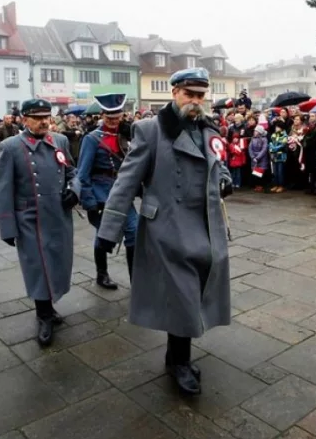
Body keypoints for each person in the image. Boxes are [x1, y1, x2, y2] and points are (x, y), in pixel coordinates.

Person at [96, 67, 233, 396]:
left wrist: (225, 178)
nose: (196, 101)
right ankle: (179, 362)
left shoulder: (208, 128)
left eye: (201, 95)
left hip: (206, 227)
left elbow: (219, 162)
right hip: (167, 230)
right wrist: (109, 228)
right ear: (174, 92)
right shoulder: (150, 130)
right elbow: (127, 180)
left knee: (194, 295)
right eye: (190, 94)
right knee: (182, 298)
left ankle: (176, 356)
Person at [0, 99, 80, 346]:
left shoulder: (60, 141)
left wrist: (75, 190)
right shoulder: (10, 147)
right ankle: (43, 315)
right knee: (38, 268)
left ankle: (50, 306)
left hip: (58, 216)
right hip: (29, 219)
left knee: (57, 263)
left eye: (47, 116)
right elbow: (2, 190)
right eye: (37, 117)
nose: (44, 121)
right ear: (24, 119)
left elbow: (72, 172)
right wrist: (7, 227)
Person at [77, 93, 137, 290]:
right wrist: (88, 200)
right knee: (104, 234)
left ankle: (136, 280)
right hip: (101, 192)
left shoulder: (126, 134)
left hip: (123, 191)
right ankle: (101, 274)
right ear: (102, 115)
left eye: (117, 118)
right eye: (109, 118)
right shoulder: (92, 139)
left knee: (134, 231)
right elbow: (82, 172)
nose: (113, 122)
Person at [268, 120, 288, 192]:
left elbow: (283, 144)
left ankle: (281, 185)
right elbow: (270, 143)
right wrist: (271, 148)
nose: (276, 128)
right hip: (274, 156)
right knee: (275, 172)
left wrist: (275, 148)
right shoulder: (273, 135)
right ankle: (275, 185)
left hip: (281, 156)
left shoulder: (284, 135)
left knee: (280, 172)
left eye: (278, 127)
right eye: (276, 127)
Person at [248, 125, 269, 192]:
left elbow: (264, 149)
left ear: (259, 132)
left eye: (256, 131)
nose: (254, 132)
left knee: (260, 173)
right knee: (255, 173)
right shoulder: (253, 138)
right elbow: (250, 148)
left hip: (261, 159)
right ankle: (257, 185)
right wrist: (252, 157)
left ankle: (260, 186)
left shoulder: (264, 139)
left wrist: (257, 157)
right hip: (254, 158)